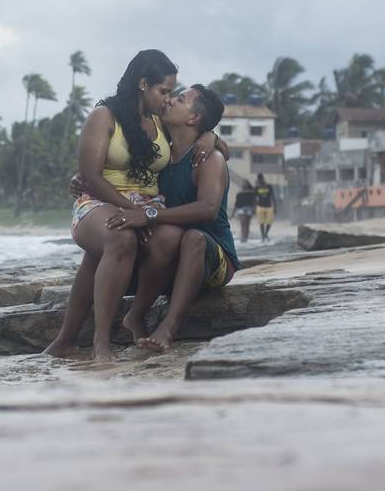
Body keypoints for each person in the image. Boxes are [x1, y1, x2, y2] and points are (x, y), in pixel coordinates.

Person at [42, 50, 223, 363]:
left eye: (172, 94)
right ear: (142, 83)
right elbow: (91, 176)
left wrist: (211, 136)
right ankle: (101, 343)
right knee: (120, 236)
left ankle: (86, 333)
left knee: (169, 238)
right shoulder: (104, 115)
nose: (167, 99)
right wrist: (133, 213)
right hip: (100, 200)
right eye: (163, 91)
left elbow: (194, 131)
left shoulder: (160, 122)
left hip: (146, 206)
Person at [105, 84, 239, 352]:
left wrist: (150, 214)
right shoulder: (160, 157)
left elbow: (208, 209)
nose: (169, 101)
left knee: (192, 237)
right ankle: (132, 317)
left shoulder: (208, 159)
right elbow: (115, 163)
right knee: (125, 238)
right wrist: (81, 176)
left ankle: (168, 328)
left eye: (180, 99)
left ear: (193, 118)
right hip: (170, 254)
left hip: (213, 257)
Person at [254, 173, 275, 242]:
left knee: (269, 222)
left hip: (269, 206)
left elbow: (272, 196)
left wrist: (275, 206)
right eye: (259, 179)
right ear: (258, 179)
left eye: (261, 178)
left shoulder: (269, 186)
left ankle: (266, 234)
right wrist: (255, 207)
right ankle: (263, 236)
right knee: (261, 222)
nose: (260, 180)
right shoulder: (257, 187)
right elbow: (254, 198)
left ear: (263, 178)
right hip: (260, 206)